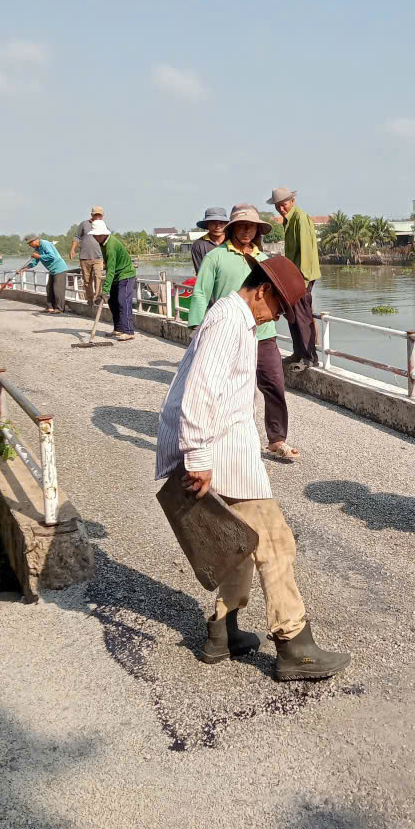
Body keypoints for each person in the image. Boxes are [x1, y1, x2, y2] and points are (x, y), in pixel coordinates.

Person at [155, 254, 350, 681]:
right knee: (275, 541)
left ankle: (222, 633)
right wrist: (198, 457)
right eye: (278, 308)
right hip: (220, 450)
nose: (276, 318)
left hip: (227, 446)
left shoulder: (236, 318)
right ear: (262, 290)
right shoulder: (230, 320)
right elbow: (199, 391)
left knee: (237, 539)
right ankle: (294, 645)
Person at [187, 204, 297, 462]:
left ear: (258, 230)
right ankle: (220, 438)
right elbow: (201, 292)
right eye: (242, 226)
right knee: (227, 389)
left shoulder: (264, 259)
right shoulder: (215, 257)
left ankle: (277, 440)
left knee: (274, 385)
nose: (247, 231)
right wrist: (196, 326)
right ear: (233, 228)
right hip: (229, 333)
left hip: (264, 333)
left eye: (252, 227)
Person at [267, 186, 320, 369]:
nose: (281, 209)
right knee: (294, 316)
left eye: (284, 205)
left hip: (302, 277)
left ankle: (309, 358)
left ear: (292, 201)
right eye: (278, 206)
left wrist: (302, 283)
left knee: (302, 317)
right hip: (293, 278)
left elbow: (305, 252)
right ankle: (298, 353)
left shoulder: (300, 218)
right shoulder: (289, 220)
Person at [89, 219, 136, 340]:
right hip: (116, 275)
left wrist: (105, 290)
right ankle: (118, 329)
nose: (95, 237)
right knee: (113, 302)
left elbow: (111, 269)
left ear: (103, 233)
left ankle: (129, 331)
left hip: (126, 275)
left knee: (123, 301)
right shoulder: (103, 244)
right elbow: (109, 266)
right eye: (94, 235)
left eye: (96, 235)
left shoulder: (111, 245)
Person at [23, 233, 69, 314]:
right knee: (49, 289)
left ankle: (60, 309)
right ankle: (50, 307)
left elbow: (51, 256)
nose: (30, 245)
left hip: (59, 269)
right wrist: (25, 268)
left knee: (58, 290)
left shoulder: (45, 244)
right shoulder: (37, 248)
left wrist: (39, 256)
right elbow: (34, 262)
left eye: (30, 243)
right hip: (52, 270)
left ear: (35, 240)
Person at [69, 205, 105, 305]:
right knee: (87, 280)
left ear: (102, 216)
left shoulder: (103, 225)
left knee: (98, 277)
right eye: (96, 215)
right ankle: (90, 299)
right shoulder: (84, 224)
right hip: (85, 258)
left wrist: (106, 256)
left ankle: (97, 297)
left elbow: (106, 240)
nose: (98, 217)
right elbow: (77, 237)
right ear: (92, 215)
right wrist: (72, 249)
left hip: (98, 257)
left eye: (100, 215)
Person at [190, 207, 230, 274]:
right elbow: (201, 274)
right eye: (213, 223)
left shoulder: (233, 241)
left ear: (226, 224)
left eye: (221, 223)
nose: (217, 227)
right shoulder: (199, 245)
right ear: (207, 224)